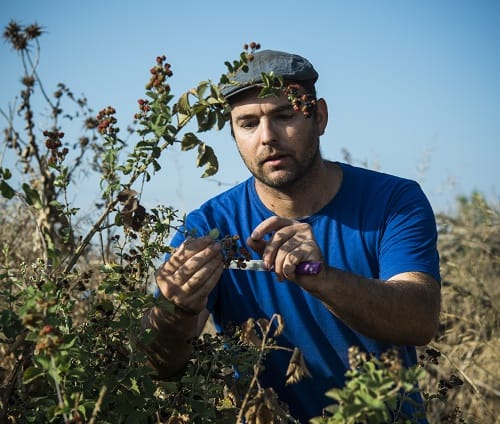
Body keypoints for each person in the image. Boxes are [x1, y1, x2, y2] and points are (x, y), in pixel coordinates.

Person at [142, 49, 441, 422]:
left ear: (319, 117)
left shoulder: (393, 201)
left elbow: (420, 319)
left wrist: (319, 276)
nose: (267, 137)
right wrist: (177, 311)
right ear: (233, 133)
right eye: (248, 123)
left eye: (284, 116)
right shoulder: (209, 225)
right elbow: (158, 366)